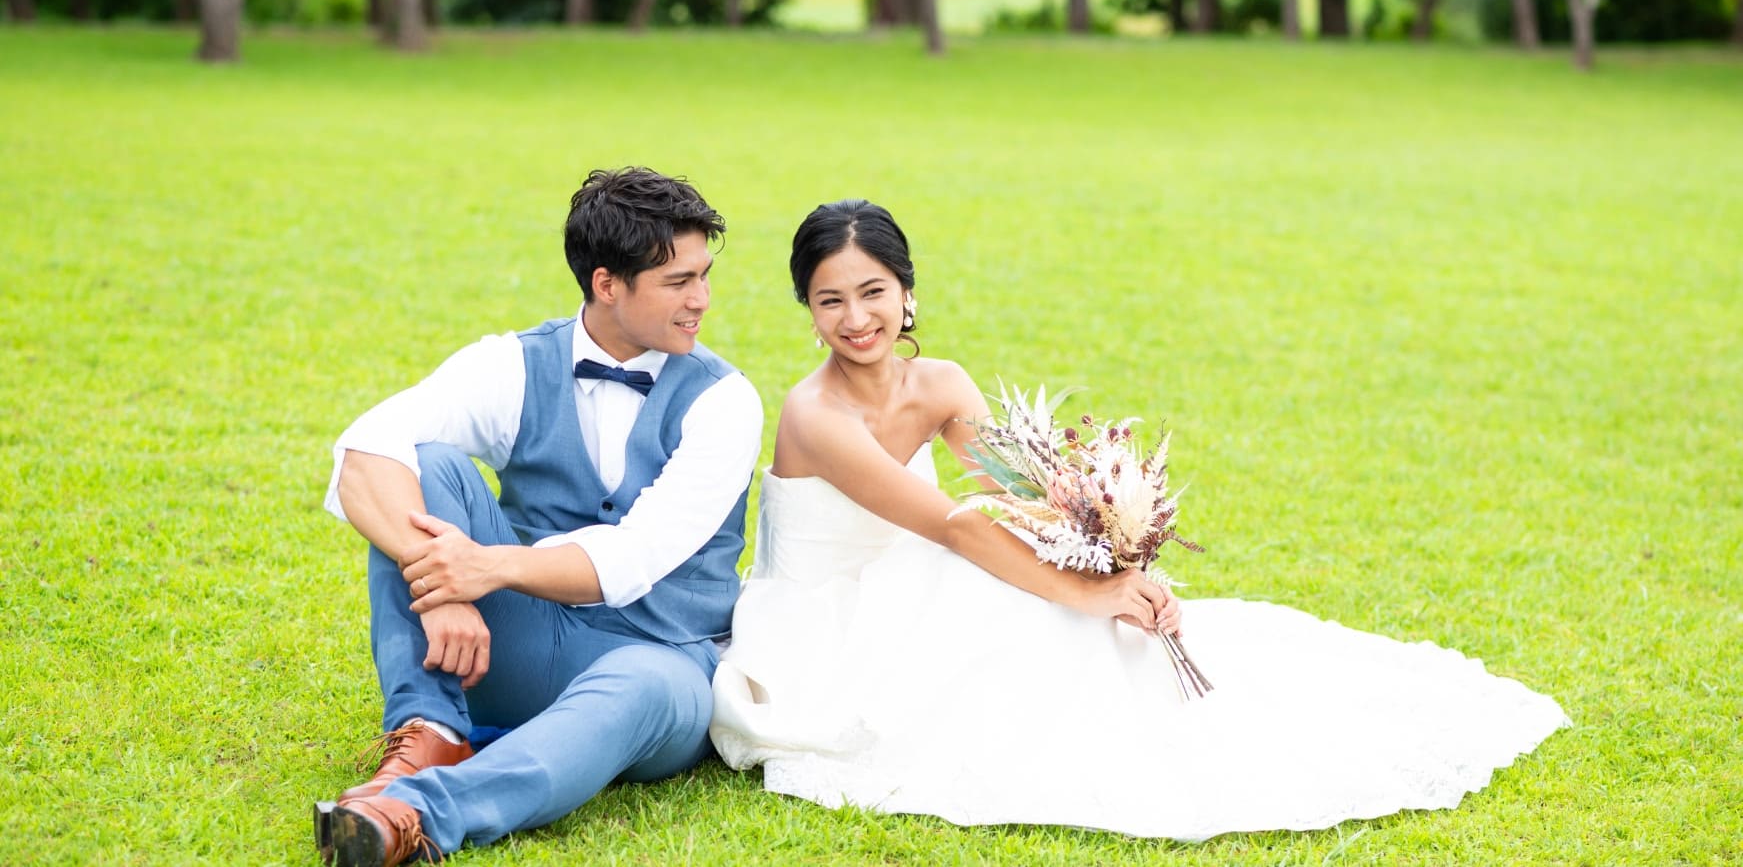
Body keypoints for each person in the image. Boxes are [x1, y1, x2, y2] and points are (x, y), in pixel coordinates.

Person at [709, 199, 1569, 840]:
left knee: (1076, 628)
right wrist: (1087, 596)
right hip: (835, 616)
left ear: (906, 292)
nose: (856, 319)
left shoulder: (938, 381)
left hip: (928, 571)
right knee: (1041, 634)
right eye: (830, 301)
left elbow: (1019, 495)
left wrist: (1109, 562)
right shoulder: (815, 415)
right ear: (807, 310)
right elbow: (956, 527)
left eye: (873, 292)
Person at [315, 167, 761, 866]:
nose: (701, 300)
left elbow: (633, 556)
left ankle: (414, 814)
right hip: (514, 646)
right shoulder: (513, 365)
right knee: (425, 465)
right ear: (607, 283)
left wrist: (481, 568)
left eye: (704, 275)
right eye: (678, 282)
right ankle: (429, 728)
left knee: (642, 683)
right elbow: (363, 448)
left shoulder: (725, 401)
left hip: (662, 667)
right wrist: (436, 583)